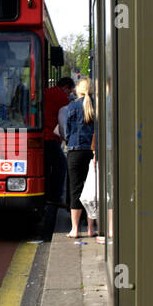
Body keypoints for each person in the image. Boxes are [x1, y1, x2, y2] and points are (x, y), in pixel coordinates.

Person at [62, 77, 96, 239]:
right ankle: (91, 228)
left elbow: (67, 132)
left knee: (76, 189)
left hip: (75, 151)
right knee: (92, 190)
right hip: (93, 152)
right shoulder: (98, 106)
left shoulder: (71, 107)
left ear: (78, 90)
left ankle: (75, 229)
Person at [43, 76, 74, 206]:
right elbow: (63, 122)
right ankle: (55, 196)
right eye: (70, 91)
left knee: (46, 165)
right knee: (61, 165)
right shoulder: (63, 99)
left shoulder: (46, 92)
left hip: (40, 134)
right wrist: (65, 138)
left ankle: (45, 192)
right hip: (49, 136)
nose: (69, 94)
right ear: (65, 87)